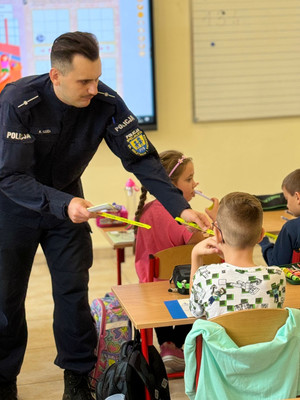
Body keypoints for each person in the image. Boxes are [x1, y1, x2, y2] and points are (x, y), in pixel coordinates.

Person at [0, 32, 212, 400]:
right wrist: (62, 203)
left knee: (72, 294)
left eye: (96, 78)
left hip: (69, 208)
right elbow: (10, 175)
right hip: (13, 206)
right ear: (56, 76)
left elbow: (142, 158)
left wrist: (181, 208)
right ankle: (4, 381)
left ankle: (77, 379)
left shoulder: (106, 101)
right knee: (5, 301)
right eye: (84, 81)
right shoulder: (19, 101)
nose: (93, 88)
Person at [134, 150, 218, 372]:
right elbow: (206, 245)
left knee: (167, 289)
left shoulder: (148, 210)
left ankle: (166, 344)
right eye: (189, 179)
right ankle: (179, 345)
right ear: (168, 184)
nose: (195, 183)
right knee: (202, 290)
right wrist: (215, 219)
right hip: (178, 285)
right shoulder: (181, 214)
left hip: (150, 283)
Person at [189, 192, 286, 320]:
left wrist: (195, 255)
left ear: (218, 234)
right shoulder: (276, 277)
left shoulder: (206, 276)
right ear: (261, 235)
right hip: (260, 340)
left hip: (220, 341)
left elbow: (195, 311)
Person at [260, 169, 300, 266]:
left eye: (287, 199)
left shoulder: (290, 228)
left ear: (297, 197)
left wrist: (264, 243)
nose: (287, 205)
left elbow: (276, 266)